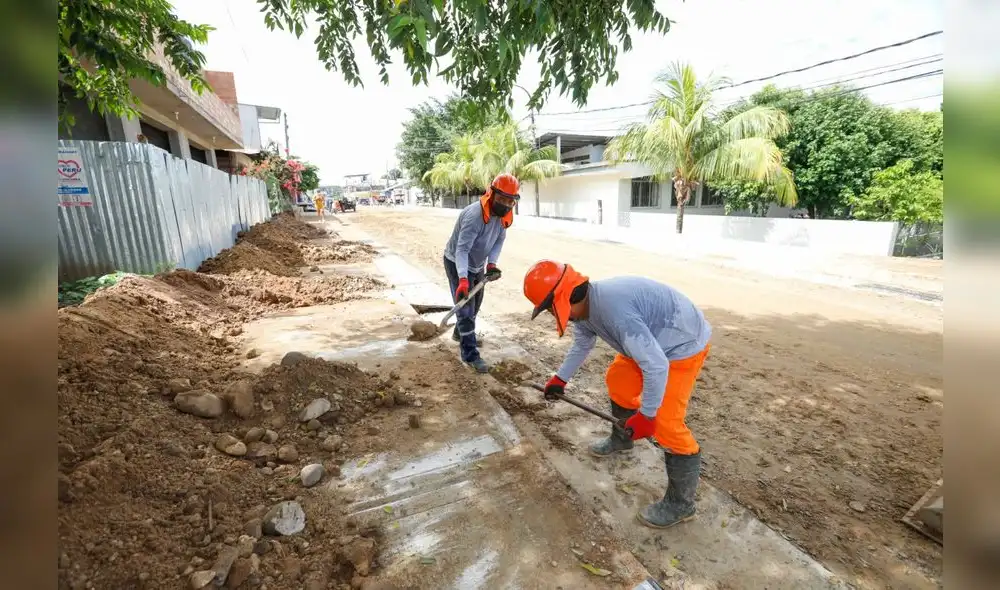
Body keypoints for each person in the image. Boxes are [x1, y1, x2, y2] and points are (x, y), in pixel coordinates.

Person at [522, 261, 712, 529]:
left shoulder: (616, 313)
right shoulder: (584, 309)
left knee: (666, 422)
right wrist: (560, 379)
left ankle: (682, 504)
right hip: (650, 341)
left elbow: (656, 365)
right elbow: (582, 344)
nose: (553, 314)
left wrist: (647, 415)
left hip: (681, 345)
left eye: (550, 308)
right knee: (619, 381)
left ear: (565, 297)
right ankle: (622, 439)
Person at [443, 173, 520, 373]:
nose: (505, 204)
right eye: (502, 199)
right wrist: (462, 279)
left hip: (477, 265)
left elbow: (498, 241)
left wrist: (491, 264)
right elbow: (462, 250)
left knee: (475, 305)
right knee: (466, 310)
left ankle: (460, 334)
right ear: (491, 194)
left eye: (510, 201)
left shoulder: (504, 218)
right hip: (457, 262)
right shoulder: (474, 216)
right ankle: (470, 354)